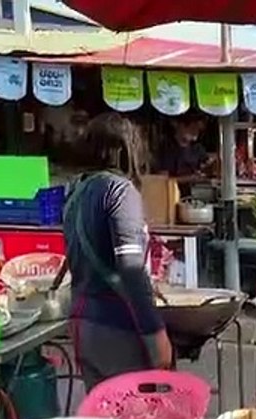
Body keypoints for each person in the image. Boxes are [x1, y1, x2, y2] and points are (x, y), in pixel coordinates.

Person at [64, 113, 172, 390]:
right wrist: (156, 333)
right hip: (116, 330)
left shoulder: (76, 192)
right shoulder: (119, 191)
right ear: (128, 149)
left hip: (82, 323)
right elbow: (131, 270)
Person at [166, 115, 215, 192]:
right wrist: (190, 178)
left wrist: (210, 166)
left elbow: (207, 165)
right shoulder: (167, 149)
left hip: (197, 193)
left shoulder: (197, 148)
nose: (196, 132)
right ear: (180, 126)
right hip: (173, 194)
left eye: (198, 129)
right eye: (192, 128)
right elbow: (163, 181)